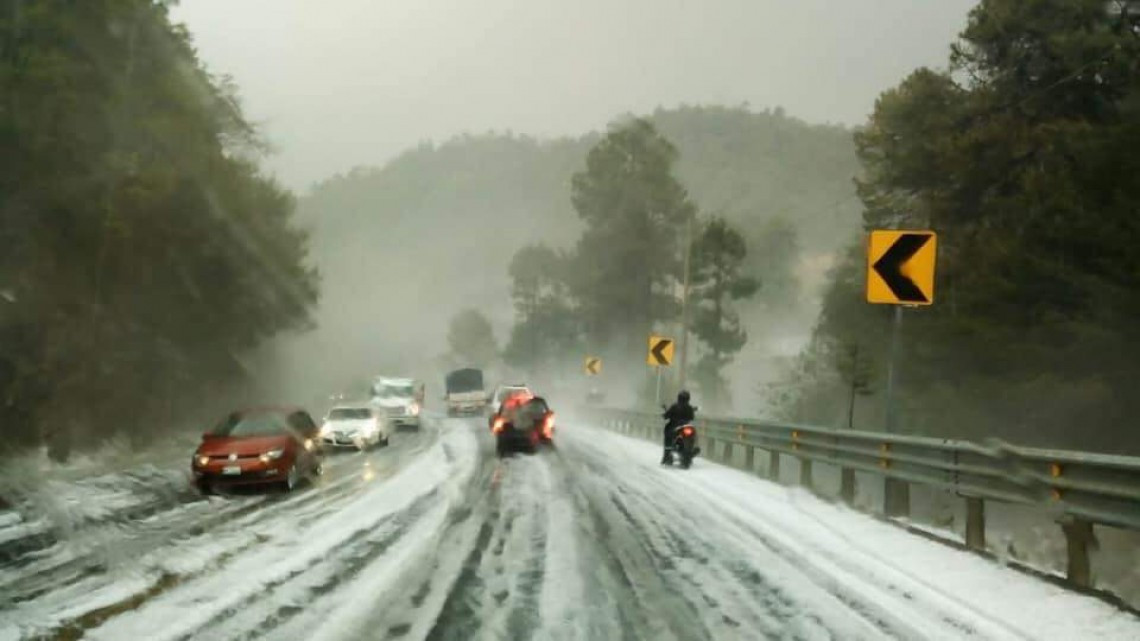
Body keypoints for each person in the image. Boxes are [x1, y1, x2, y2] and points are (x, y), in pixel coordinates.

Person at [661, 390, 695, 464]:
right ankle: (689, 451)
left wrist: (665, 415)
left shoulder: (674, 406)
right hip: (686, 426)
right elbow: (692, 417)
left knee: (667, 434)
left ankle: (666, 454)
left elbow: (667, 415)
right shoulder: (689, 407)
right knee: (692, 433)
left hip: (674, 426)